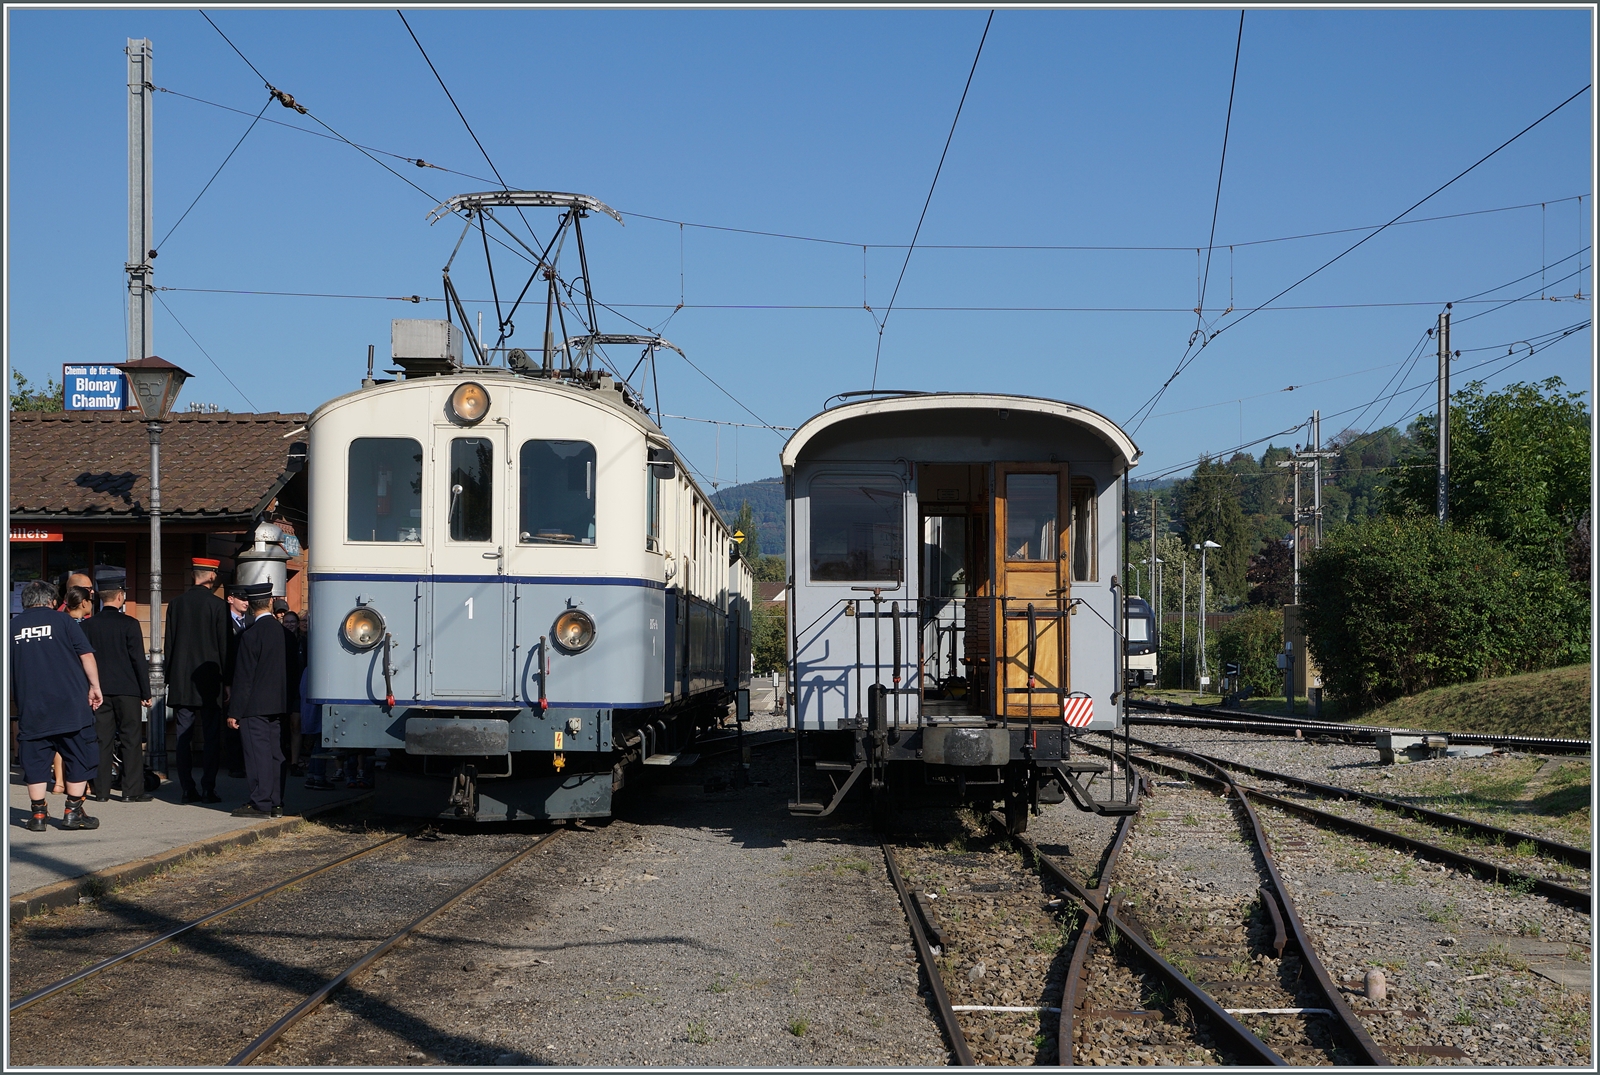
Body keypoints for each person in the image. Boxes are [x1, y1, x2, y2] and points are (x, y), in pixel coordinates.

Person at [10, 580, 102, 832]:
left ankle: (38, 815)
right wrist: (95, 687)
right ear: (52, 601)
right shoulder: (63, 621)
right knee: (79, 754)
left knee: (35, 759)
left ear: (25, 602)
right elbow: (86, 655)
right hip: (70, 703)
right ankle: (73, 812)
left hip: (32, 706)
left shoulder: (11, 627)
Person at [165, 557, 231, 804]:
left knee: (184, 737)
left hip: (182, 680)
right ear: (212, 575)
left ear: (194, 575)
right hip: (211, 680)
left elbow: (169, 645)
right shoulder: (218, 606)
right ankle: (208, 788)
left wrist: (171, 677)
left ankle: (186, 788)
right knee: (212, 736)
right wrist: (227, 681)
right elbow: (225, 646)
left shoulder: (176, 604)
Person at [81, 577, 153, 802]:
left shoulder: (87, 625)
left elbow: (82, 659)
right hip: (127, 689)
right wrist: (146, 692)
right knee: (131, 739)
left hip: (99, 690)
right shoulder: (129, 624)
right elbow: (138, 660)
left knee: (102, 740)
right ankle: (132, 791)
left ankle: (101, 791)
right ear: (120, 596)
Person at [226, 582, 288, 818]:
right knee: (274, 752)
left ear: (251, 606)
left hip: (254, 704)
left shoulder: (249, 635)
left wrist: (235, 711)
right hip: (278, 701)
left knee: (256, 753)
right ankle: (276, 801)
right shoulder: (282, 632)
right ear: (271, 601)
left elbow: (244, 677)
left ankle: (260, 802)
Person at [222, 583, 250, 779]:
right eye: (241, 599)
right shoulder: (223, 622)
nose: (246, 603)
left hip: (247, 678)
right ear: (230, 599)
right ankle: (234, 764)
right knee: (231, 722)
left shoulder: (251, 621)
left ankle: (246, 761)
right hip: (230, 679)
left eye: (247, 599)